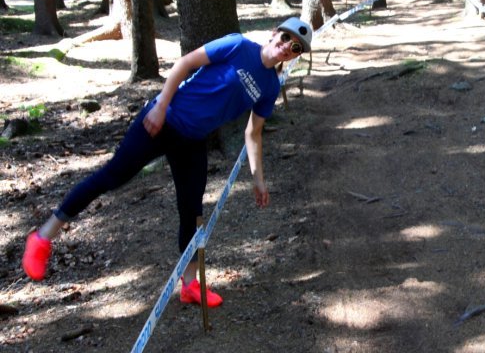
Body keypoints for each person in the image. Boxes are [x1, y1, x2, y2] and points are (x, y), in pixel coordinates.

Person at [22, 17, 313, 308]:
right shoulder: (238, 45)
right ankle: (43, 236)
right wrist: (161, 105)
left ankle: (189, 284)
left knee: (192, 210)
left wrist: (258, 178)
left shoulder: (270, 86)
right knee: (112, 177)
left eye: (295, 48)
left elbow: (253, 132)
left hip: (193, 141)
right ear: (274, 33)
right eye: (285, 38)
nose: (286, 47)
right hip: (162, 122)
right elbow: (185, 63)